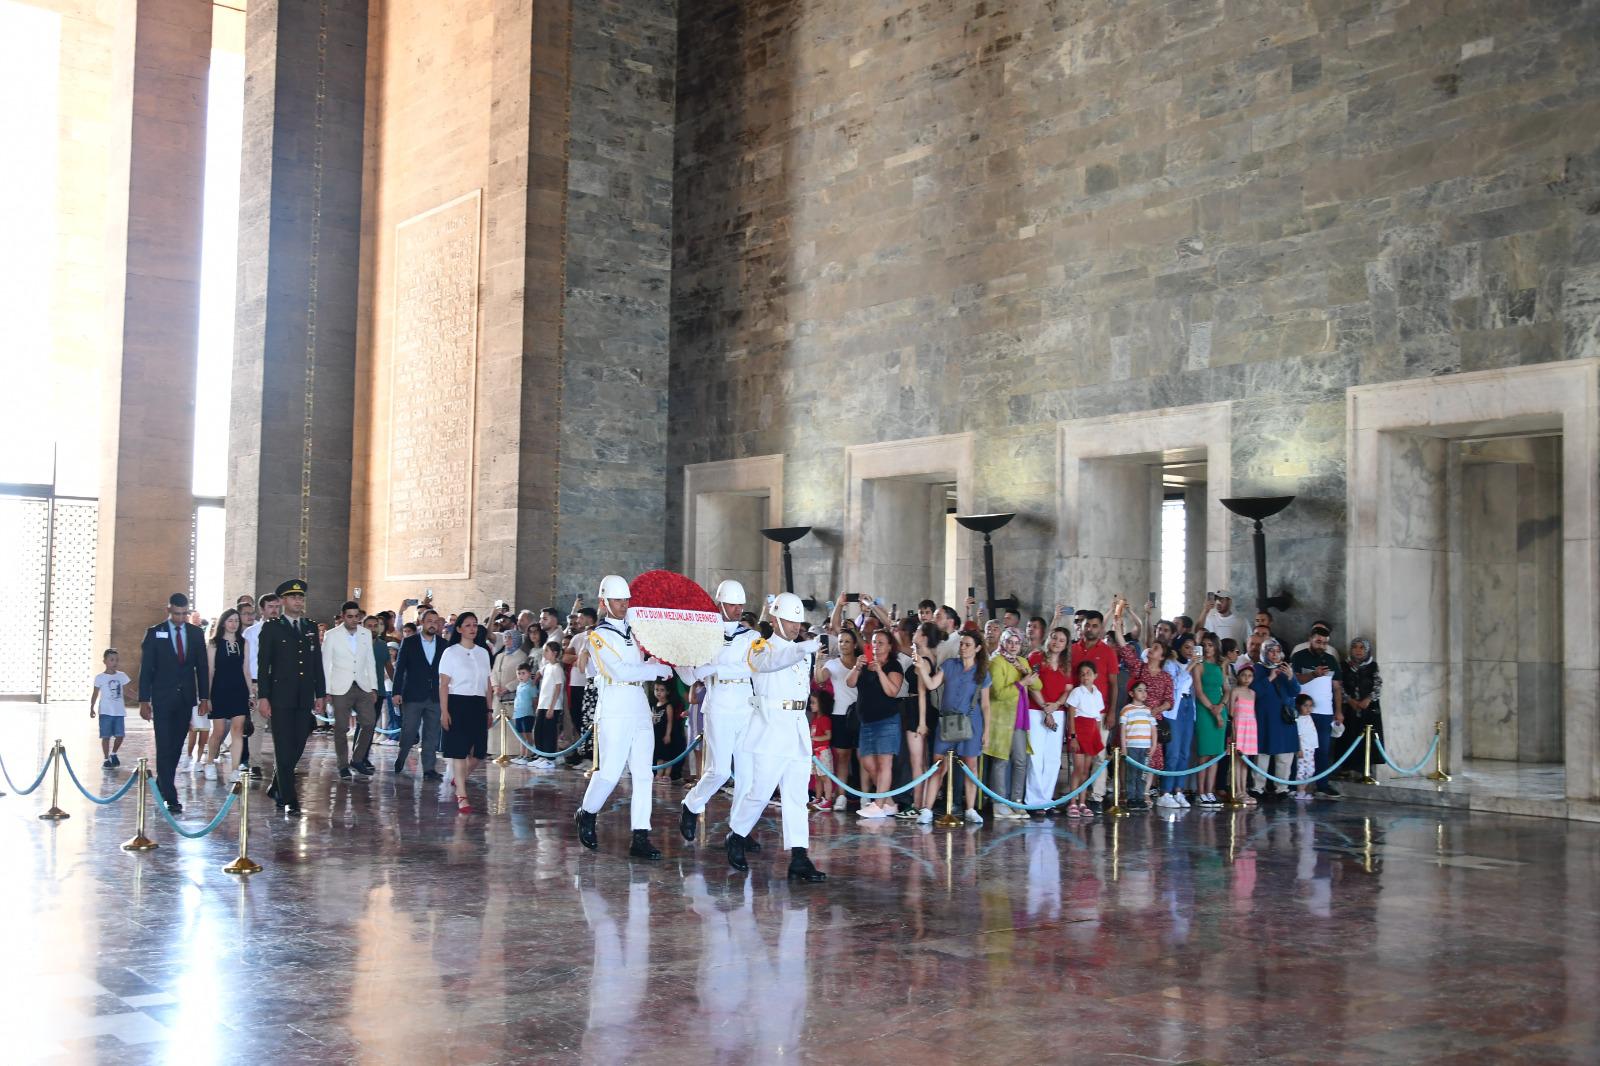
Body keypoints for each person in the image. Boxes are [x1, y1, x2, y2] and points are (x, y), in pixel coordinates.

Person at [725, 592, 827, 881]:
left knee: (797, 796)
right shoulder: (760, 648)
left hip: (796, 727)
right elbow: (771, 663)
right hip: (770, 728)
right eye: (790, 621)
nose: (796, 627)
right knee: (761, 791)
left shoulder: (801, 651)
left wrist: (804, 650)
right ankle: (736, 835)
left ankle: (799, 857)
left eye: (798, 622)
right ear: (775, 620)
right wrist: (802, 648)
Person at [575, 575, 673, 859]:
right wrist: (653, 671)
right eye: (617, 600)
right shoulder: (598, 636)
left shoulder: (635, 630)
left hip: (639, 703)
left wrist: (657, 661)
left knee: (643, 774)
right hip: (615, 705)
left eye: (626, 599)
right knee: (610, 772)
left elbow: (641, 662)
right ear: (604, 602)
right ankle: (587, 812)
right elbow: (618, 671)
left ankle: (641, 835)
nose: (623, 604)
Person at [677, 580, 762, 843]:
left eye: (740, 605)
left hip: (745, 705)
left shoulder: (751, 637)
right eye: (732, 604)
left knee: (747, 774)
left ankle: (739, 830)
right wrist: (677, 659)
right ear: (719, 604)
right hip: (719, 705)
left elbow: (754, 667)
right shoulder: (704, 636)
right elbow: (690, 676)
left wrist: (716, 669)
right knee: (720, 770)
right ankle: (692, 804)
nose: (738, 609)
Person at [256, 579, 325, 814]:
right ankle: (289, 798)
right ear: (283, 601)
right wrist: (263, 697)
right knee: (284, 747)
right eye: (293, 597)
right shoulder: (272, 628)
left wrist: (320, 693)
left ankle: (277, 785)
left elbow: (316, 664)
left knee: (298, 744)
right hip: (280, 697)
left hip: (304, 696)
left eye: (301, 597)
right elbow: (263, 666)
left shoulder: (309, 627)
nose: (298, 601)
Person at [137, 593, 209, 813]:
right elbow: (146, 669)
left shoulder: (195, 633)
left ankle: (162, 783)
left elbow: (202, 667)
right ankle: (170, 795)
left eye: (184, 614)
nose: (180, 618)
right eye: (177, 614)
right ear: (169, 610)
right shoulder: (154, 633)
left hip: (185, 698)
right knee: (164, 743)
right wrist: (143, 700)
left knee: (177, 745)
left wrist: (204, 697)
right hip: (162, 698)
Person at [915, 631, 990, 825]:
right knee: (938, 765)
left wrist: (987, 731)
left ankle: (970, 809)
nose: (963, 647)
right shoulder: (949, 665)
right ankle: (927, 809)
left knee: (971, 766)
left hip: (972, 722)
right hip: (947, 721)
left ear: (978, 648)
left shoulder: (982, 672)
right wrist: (922, 669)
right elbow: (931, 684)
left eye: (968, 644)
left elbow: (985, 705)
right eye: (962, 644)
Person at [847, 629, 905, 819]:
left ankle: (879, 805)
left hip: (887, 720)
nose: (876, 646)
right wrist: (857, 667)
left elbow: (892, 691)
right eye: (874, 642)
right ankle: (889, 803)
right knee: (868, 762)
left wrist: (880, 670)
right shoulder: (864, 663)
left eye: (881, 643)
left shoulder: (894, 665)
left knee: (884, 762)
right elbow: (850, 683)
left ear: (889, 646)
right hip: (866, 722)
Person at [439, 610, 493, 813]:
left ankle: (459, 778)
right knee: (459, 750)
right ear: (460, 629)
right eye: (468, 625)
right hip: (457, 702)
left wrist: (489, 709)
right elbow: (444, 684)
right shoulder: (451, 652)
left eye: (475, 624)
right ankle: (462, 795)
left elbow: (488, 684)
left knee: (479, 751)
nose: (472, 628)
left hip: (478, 704)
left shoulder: (483, 652)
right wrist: (444, 711)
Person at [984, 628, 1040, 819]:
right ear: (1003, 642)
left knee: (1021, 761)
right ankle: (999, 803)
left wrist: (1026, 672)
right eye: (1010, 642)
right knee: (1001, 761)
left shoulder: (1022, 662)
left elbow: (1038, 685)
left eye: (1017, 643)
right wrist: (1022, 683)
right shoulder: (996, 661)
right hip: (1002, 719)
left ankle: (1017, 801)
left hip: (1020, 718)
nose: (1013, 646)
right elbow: (998, 693)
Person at [322, 600, 380, 779]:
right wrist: (326, 691)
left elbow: (370, 661)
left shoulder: (365, 633)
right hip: (339, 687)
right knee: (341, 727)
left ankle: (357, 759)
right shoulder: (331, 635)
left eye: (357, 616)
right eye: (350, 616)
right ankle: (342, 765)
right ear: (342, 617)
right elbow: (325, 663)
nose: (354, 620)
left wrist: (373, 687)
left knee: (369, 723)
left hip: (363, 685)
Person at [1071, 608, 1121, 816]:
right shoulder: (1073, 650)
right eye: (1087, 625)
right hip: (1076, 714)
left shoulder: (1108, 651)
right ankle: (1073, 799)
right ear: (1081, 627)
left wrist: (1111, 712)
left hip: (1099, 713)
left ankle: (1096, 796)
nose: (1090, 629)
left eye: (1094, 626)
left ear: (1101, 629)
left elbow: (1114, 683)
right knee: (1077, 757)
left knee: (1098, 755)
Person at [392, 609, 447, 779]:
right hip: (413, 695)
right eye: (429, 621)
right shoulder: (410, 642)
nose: (433, 624)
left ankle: (429, 769)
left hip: (435, 696)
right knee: (409, 731)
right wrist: (396, 692)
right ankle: (402, 756)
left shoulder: (444, 644)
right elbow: (400, 668)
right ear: (422, 623)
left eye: (435, 621)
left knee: (431, 733)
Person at [1290, 625, 1343, 798]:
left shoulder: (1331, 659)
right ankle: (1293, 785)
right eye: (1318, 642)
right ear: (1310, 640)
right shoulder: (1299, 657)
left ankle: (1322, 784)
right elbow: (1294, 679)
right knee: (1300, 749)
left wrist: (1338, 711)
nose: (1321, 646)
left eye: (1325, 643)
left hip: (1324, 712)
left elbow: (1337, 688)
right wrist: (1314, 674)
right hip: (1303, 711)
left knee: (1323, 749)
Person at [1025, 626, 1073, 813]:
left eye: (1061, 640)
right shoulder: (1036, 658)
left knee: (1052, 758)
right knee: (1035, 756)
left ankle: (1046, 799)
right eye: (1054, 638)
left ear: (1066, 645)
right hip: (1036, 710)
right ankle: (1034, 800)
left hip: (1057, 711)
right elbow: (1032, 685)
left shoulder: (1065, 664)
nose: (1056, 643)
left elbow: (1068, 689)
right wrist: (1047, 710)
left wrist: (1057, 704)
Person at [815, 627, 861, 811]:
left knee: (862, 757)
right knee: (843, 757)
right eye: (840, 641)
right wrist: (818, 660)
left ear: (855, 644)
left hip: (860, 713)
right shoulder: (833, 664)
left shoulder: (861, 661)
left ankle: (865, 796)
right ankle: (841, 796)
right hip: (840, 714)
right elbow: (820, 679)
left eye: (847, 641)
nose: (843, 645)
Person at [202, 609, 251, 780]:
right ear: (223, 622)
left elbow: (246, 670)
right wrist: (207, 697)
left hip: (239, 689)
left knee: (238, 730)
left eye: (236, 620)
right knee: (219, 730)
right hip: (219, 689)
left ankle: (235, 769)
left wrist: (251, 694)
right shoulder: (214, 643)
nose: (234, 624)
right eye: (230, 620)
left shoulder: (244, 642)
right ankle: (209, 762)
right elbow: (210, 671)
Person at [1250, 640, 1301, 802]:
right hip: (1265, 719)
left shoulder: (1285, 668)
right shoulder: (1257, 669)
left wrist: (1291, 677)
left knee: (1284, 755)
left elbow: (1295, 691)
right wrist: (1270, 678)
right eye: (1271, 651)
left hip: (1284, 718)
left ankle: (1282, 788)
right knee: (1262, 754)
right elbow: (1254, 692)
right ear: (1264, 653)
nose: (1275, 655)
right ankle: (1258, 787)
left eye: (1277, 651)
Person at [1156, 634, 1198, 809]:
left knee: (1184, 753)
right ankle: (1165, 791)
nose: (1190, 651)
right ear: (1179, 647)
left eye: (1192, 648)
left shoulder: (1192, 664)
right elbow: (1174, 686)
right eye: (1187, 647)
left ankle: (1178, 790)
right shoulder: (1170, 664)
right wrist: (1190, 667)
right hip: (1175, 709)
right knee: (1172, 752)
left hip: (1188, 705)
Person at [1063, 661, 1106, 817]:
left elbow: (1098, 718)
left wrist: (1098, 737)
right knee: (1078, 768)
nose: (1085, 676)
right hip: (1079, 730)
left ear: (1095, 676)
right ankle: (1072, 802)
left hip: (1092, 731)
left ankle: (1082, 802)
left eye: (1088, 673)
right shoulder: (1077, 692)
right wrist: (1073, 736)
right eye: (1082, 674)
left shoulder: (1097, 693)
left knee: (1086, 770)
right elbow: (1071, 715)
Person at [1191, 633, 1228, 808]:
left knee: (1215, 754)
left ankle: (1210, 791)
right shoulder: (1198, 665)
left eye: (1210, 645)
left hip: (1219, 707)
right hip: (1205, 710)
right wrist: (1214, 711)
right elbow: (1199, 692)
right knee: (1204, 753)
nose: (1207, 648)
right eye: (1204, 645)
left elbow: (1226, 689)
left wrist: (1221, 706)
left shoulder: (1221, 665)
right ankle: (1201, 793)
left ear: (1216, 647)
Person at [1338, 637, 1382, 776]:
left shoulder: (1372, 666)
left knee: (1366, 738)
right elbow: (1339, 686)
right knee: (1349, 737)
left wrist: (1368, 699)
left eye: (1362, 647)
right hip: (1349, 709)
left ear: (1367, 650)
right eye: (1355, 647)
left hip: (1368, 709)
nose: (1358, 650)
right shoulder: (1344, 666)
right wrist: (1349, 700)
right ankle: (1347, 768)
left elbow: (1378, 685)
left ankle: (1365, 769)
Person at [1119, 681, 1157, 811]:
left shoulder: (1148, 711)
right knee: (1132, 773)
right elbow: (1123, 730)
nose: (1144, 693)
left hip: (1145, 748)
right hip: (1132, 747)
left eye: (1145, 690)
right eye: (1140, 690)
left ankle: (1140, 797)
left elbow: (1153, 729)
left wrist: (1153, 745)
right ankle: (1131, 798)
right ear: (1131, 693)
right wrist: (1124, 747)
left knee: (1142, 774)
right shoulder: (1126, 710)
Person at [90, 648, 131, 768]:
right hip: (105, 712)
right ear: (105, 661)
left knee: (120, 735)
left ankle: (113, 753)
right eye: (112, 660)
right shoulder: (100, 677)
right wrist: (92, 707)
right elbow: (95, 693)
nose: (115, 662)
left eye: (117, 660)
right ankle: (106, 758)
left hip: (119, 712)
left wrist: (142, 699)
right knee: (106, 736)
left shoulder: (122, 676)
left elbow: (128, 691)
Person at [533, 639, 567, 767]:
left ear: (555, 653)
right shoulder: (547, 667)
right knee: (539, 731)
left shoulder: (557, 668)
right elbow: (540, 674)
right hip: (543, 704)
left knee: (549, 732)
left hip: (552, 706)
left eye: (547, 651)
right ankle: (541, 755)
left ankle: (550, 758)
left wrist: (551, 708)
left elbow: (558, 687)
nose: (544, 653)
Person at [1230, 664, 1258, 805]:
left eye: (1250, 676)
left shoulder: (1253, 693)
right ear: (1238, 676)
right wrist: (1233, 733)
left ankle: (1244, 790)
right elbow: (1231, 714)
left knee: (1245, 761)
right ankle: (1237, 791)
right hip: (1239, 727)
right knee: (1237, 761)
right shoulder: (1235, 691)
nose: (1247, 678)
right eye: (1244, 675)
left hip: (1250, 728)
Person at [651, 679, 688, 782]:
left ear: (667, 692)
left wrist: (668, 734)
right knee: (659, 756)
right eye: (656, 690)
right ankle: (659, 774)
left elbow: (670, 721)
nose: (658, 692)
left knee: (667, 756)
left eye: (662, 690)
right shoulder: (654, 705)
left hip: (665, 735)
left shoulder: (668, 706)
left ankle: (667, 774)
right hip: (657, 735)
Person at [808, 691, 835, 810]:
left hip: (822, 752)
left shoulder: (824, 719)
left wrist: (813, 738)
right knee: (817, 777)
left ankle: (828, 800)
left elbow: (828, 736)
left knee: (825, 777)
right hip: (815, 753)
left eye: (814, 702)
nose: (811, 705)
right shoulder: (815, 719)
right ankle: (818, 798)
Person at [510, 661, 539, 765]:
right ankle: (522, 755)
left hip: (527, 713)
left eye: (523, 673)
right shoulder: (519, 686)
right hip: (518, 713)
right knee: (521, 735)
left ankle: (528, 755)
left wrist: (535, 712)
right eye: (519, 673)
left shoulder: (531, 686)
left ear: (529, 673)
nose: (521, 676)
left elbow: (535, 700)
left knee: (527, 734)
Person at [1293, 695, 1319, 800]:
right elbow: (1298, 735)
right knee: (1301, 770)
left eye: (1310, 706)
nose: (1308, 708)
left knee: (1310, 770)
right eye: (1305, 706)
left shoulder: (1309, 717)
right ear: (1299, 706)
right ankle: (1300, 791)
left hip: (1311, 748)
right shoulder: (1299, 720)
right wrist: (1299, 749)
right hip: (1304, 749)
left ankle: (1303, 790)